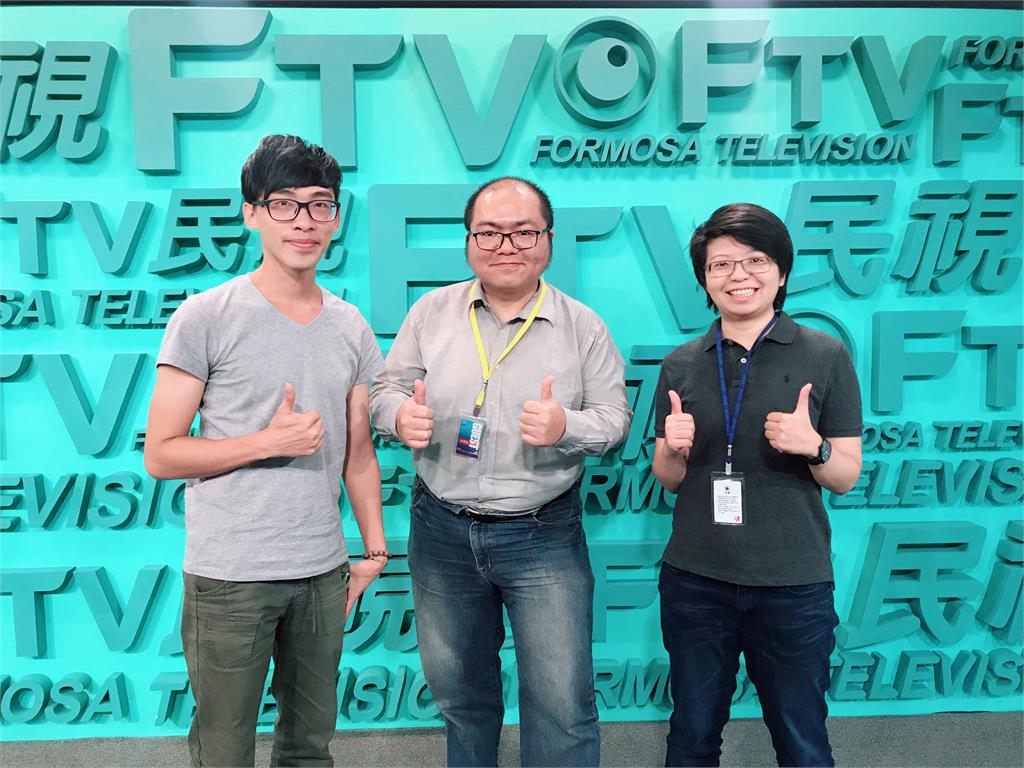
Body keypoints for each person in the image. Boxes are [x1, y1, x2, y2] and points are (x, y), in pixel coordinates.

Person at [143, 134, 389, 767]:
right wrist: (267, 443)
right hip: (231, 574)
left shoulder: (351, 325)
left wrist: (373, 551)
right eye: (284, 204)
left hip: (322, 571)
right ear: (251, 213)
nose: (304, 221)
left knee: (310, 745)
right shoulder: (205, 316)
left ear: (336, 218)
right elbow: (162, 454)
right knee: (224, 748)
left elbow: (359, 454)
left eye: (319, 205)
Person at [369, 177, 631, 767]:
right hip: (441, 527)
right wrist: (398, 416)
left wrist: (566, 426)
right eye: (489, 232)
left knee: (562, 704)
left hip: (543, 533)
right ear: (469, 240)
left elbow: (615, 420)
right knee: (459, 694)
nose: (506, 245)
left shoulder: (583, 326)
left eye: (523, 232)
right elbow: (385, 390)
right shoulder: (431, 313)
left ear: (549, 239)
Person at [651, 203, 863, 767]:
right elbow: (668, 479)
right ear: (704, 279)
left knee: (801, 739)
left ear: (782, 271)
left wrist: (813, 446)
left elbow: (845, 476)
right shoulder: (681, 363)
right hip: (697, 580)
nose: (738, 275)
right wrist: (671, 450)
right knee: (692, 733)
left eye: (755, 261)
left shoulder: (825, 354)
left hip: (793, 584)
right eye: (721, 264)